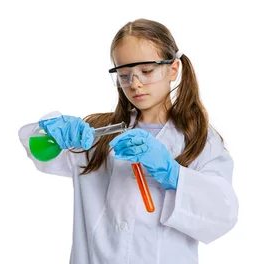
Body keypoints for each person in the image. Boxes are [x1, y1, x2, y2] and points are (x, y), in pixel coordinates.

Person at [18, 18, 238, 264]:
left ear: (173, 69)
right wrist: (53, 131)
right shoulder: (95, 135)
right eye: (124, 75)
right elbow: (36, 149)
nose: (135, 84)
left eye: (146, 71)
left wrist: (173, 174)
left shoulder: (198, 140)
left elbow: (223, 214)